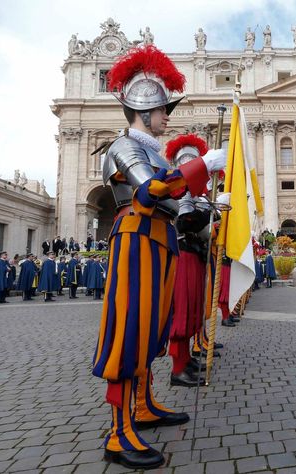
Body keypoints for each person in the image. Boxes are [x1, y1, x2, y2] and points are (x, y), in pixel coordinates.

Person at [92, 44, 226, 469]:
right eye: (162, 109)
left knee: (153, 330)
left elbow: (176, 203)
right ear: (142, 111)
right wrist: (199, 166)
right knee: (130, 330)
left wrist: (203, 202)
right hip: (136, 237)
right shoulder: (123, 146)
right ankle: (118, 432)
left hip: (161, 241)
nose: (167, 116)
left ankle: (144, 406)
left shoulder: (152, 149)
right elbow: (150, 192)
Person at [165, 133, 216, 388]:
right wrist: (209, 211)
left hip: (196, 249)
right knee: (184, 309)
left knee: (194, 307)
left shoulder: (195, 191)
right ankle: (178, 367)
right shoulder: (182, 191)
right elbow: (184, 221)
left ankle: (185, 359)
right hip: (184, 249)